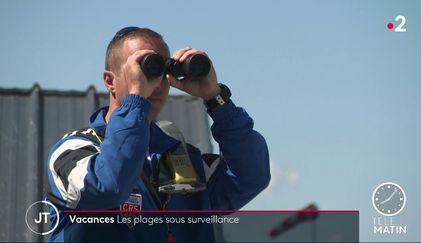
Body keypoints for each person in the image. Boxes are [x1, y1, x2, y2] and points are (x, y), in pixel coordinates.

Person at [45, 26, 270, 242]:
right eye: (145, 69)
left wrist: (215, 98)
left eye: (162, 72)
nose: (156, 84)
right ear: (110, 81)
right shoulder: (73, 153)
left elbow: (251, 177)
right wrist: (136, 99)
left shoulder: (182, 160)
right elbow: (110, 186)